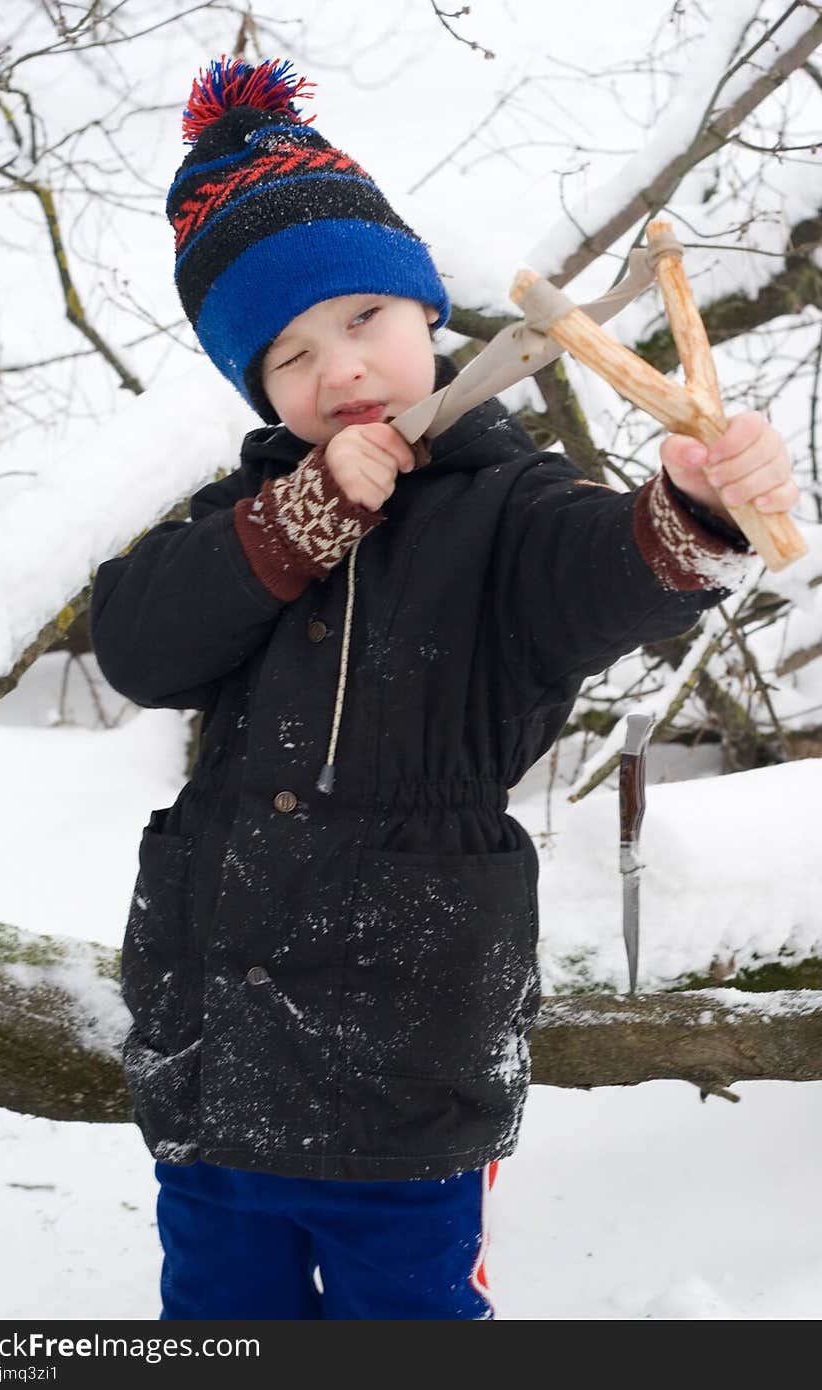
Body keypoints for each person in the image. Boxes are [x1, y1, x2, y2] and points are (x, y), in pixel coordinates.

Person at [89, 57, 800, 1321]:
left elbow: (599, 575)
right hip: (216, 1068)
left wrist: (692, 509)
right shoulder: (243, 514)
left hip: (401, 1071)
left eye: (363, 318)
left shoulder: (506, 508)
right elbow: (137, 645)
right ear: (259, 391)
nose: (339, 368)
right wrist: (294, 519)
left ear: (426, 313)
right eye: (290, 355)